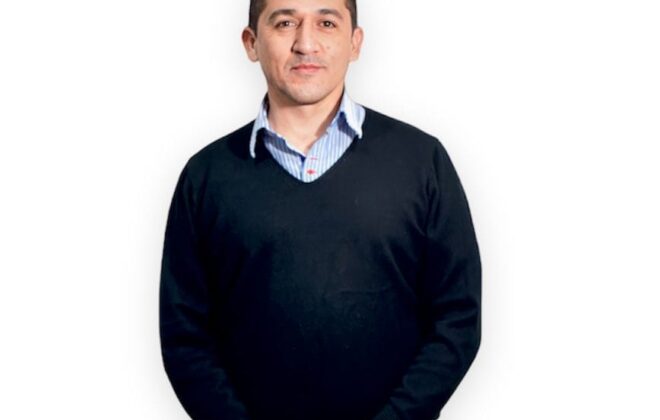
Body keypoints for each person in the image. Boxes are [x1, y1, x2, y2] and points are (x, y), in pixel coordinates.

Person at [159, 0, 482, 419]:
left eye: (326, 23)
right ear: (251, 42)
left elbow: (457, 318)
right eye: (285, 22)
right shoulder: (206, 176)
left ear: (355, 43)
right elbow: (184, 337)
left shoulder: (422, 162)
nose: (306, 43)